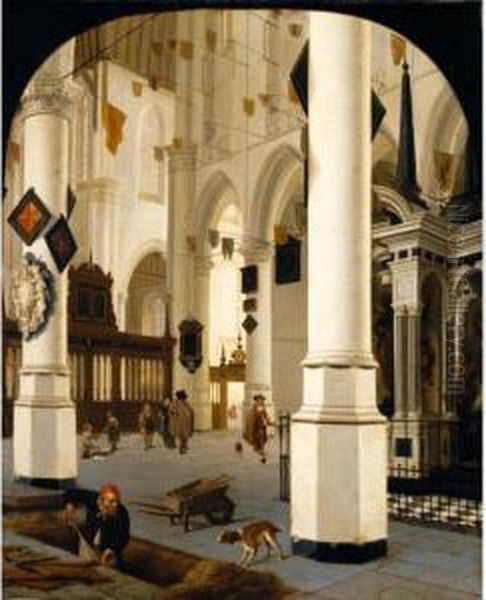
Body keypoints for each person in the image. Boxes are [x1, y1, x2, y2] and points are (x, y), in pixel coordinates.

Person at [64, 484, 130, 570]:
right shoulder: (93, 499)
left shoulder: (122, 515)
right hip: (89, 542)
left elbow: (123, 536)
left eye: (112, 504)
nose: (103, 509)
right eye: (102, 504)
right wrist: (69, 507)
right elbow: (71, 492)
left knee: (110, 567)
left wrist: (111, 549)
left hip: (107, 547)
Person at [243, 394, 271, 463]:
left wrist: (267, 419)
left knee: (262, 436)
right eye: (259, 399)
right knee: (259, 436)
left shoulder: (262, 407)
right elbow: (256, 415)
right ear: (257, 400)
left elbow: (265, 414)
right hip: (256, 425)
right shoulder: (256, 407)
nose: (260, 401)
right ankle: (260, 448)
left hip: (261, 425)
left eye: (261, 399)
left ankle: (259, 448)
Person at [171, 390, 194, 454]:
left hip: (186, 421)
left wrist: (190, 414)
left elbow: (191, 410)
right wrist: (176, 412)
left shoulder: (186, 403)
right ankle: (182, 448)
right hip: (179, 422)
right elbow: (172, 410)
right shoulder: (176, 403)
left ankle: (184, 446)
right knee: (182, 436)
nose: (182, 399)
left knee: (185, 435)